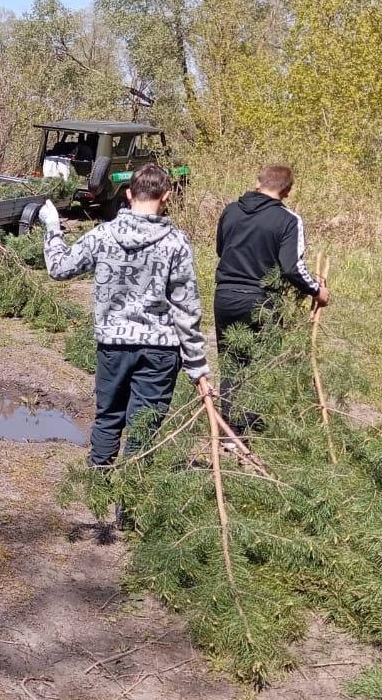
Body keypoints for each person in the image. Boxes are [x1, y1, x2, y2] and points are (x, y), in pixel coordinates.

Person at [39, 164, 212, 476]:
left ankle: (98, 493)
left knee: (108, 419)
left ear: (129, 194)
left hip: (114, 345)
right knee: (143, 430)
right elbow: (186, 308)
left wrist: (52, 226)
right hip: (160, 349)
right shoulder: (176, 242)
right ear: (167, 196)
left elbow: (59, 268)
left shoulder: (104, 235)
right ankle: (128, 509)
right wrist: (197, 366)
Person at [214, 164, 328, 431]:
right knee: (261, 362)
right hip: (261, 300)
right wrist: (316, 289)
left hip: (225, 295)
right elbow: (291, 267)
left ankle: (230, 427)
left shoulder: (230, 210)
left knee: (231, 361)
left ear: (257, 183)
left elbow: (222, 249)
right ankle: (248, 425)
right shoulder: (288, 220)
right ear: (287, 191)